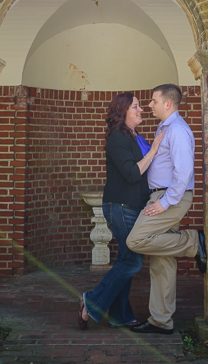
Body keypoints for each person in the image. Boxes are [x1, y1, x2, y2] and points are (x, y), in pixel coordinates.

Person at [126, 83, 207, 335]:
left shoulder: (178, 130)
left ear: (167, 104)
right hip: (162, 196)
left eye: (153, 101)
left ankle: (193, 241)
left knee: (137, 240)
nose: (149, 105)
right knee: (162, 262)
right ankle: (161, 320)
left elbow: (184, 173)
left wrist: (164, 202)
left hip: (170, 197)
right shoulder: (165, 127)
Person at [78, 92, 165, 330]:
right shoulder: (117, 138)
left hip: (135, 206)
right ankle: (91, 302)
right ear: (123, 111)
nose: (141, 110)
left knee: (125, 260)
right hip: (120, 206)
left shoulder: (136, 137)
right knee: (133, 263)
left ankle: (119, 314)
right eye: (135, 107)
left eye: (139, 106)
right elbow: (131, 173)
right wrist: (154, 149)